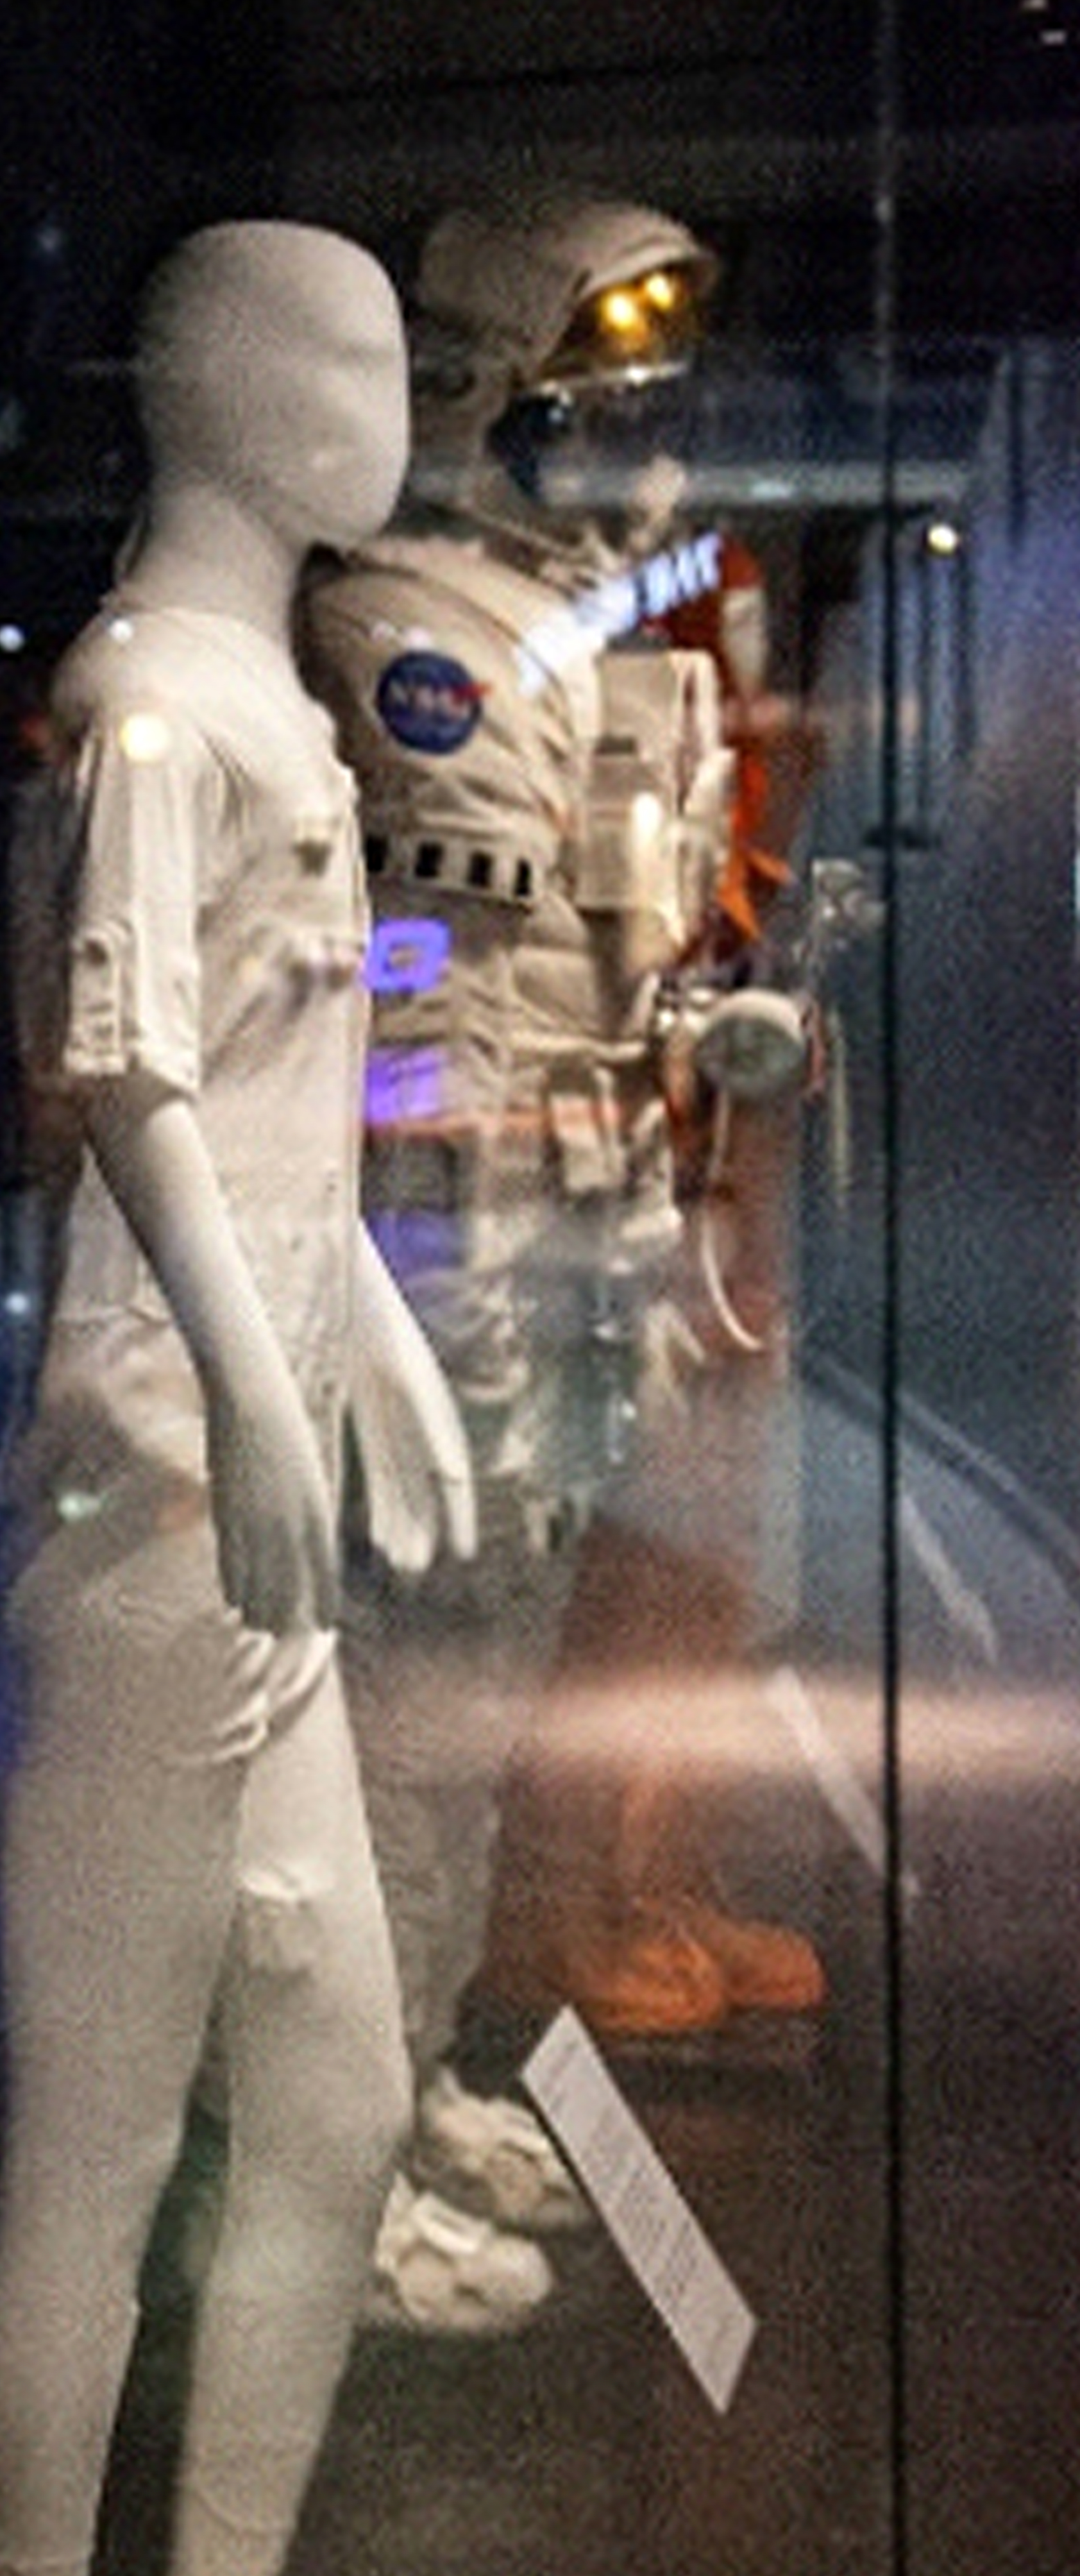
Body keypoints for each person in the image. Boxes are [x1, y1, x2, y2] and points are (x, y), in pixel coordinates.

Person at [0, 221, 475, 2576]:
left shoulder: (262, 708)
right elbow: (129, 1080)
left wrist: (352, 1323)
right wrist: (264, 1398)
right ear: (241, 392)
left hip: (241, 1517)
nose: (391, 403)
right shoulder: (155, 709)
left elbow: (263, 1095)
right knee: (98, 2140)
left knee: (340, 2107)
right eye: (356, 358)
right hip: (159, 1510)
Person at [297, 195, 824, 2334]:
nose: (640, 467)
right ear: (479, 403)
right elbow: (386, 960)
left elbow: (593, 955)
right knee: (404, 1747)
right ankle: (327, 2151)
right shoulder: (401, 639)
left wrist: (664, 1066)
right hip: (444, 1258)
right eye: (597, 421)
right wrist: (465, 1111)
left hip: (567, 1234)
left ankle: (407, 2082)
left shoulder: (554, 630)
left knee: (483, 1727)